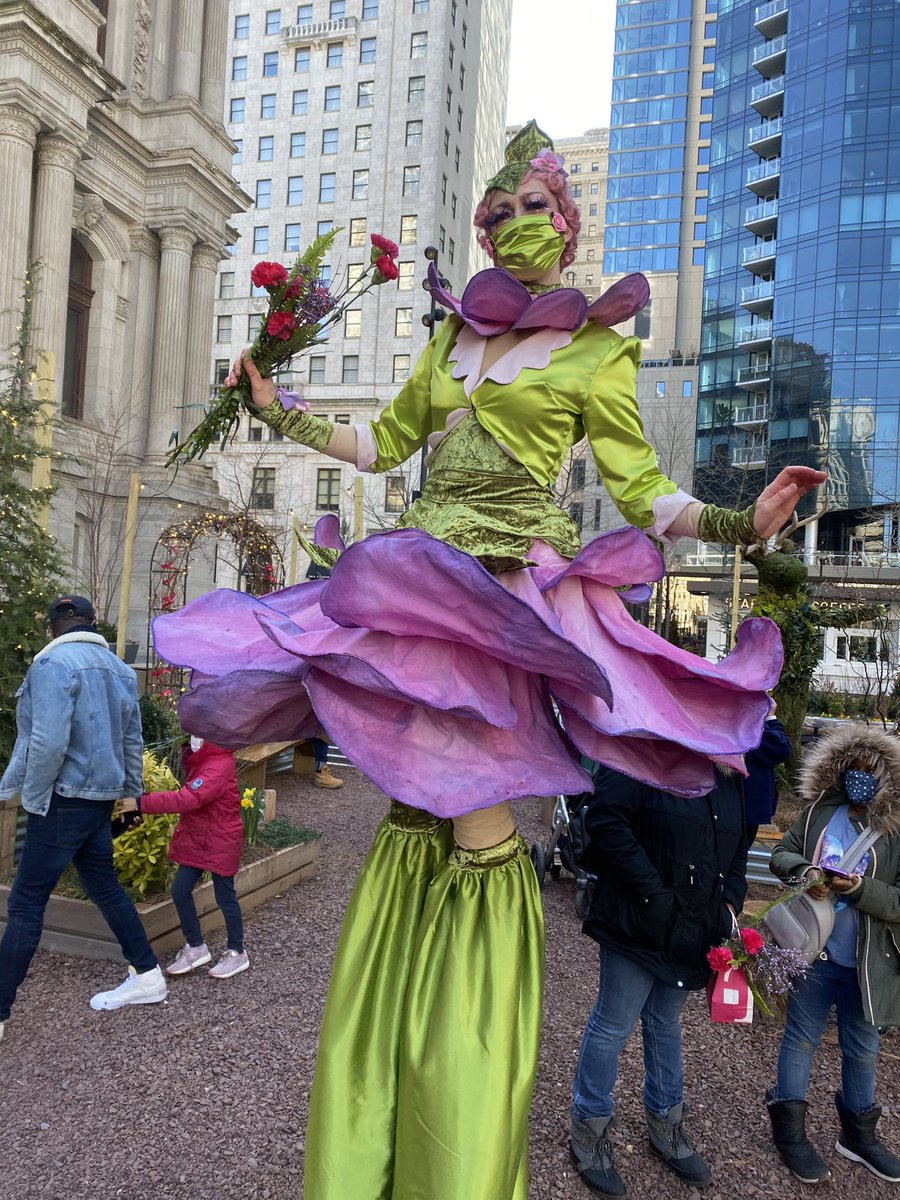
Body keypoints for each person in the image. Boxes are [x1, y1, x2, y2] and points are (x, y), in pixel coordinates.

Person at [153, 122, 825, 1199]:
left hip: (504, 593)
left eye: (538, 213)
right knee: (402, 781)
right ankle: (401, 1029)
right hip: (420, 578)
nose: (519, 229)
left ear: (569, 226)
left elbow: (646, 493)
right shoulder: (450, 339)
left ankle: (459, 1071)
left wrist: (746, 524)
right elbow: (382, 448)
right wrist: (279, 413)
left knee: (477, 808)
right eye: (500, 215)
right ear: (487, 229)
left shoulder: (600, 350)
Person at [569, 762, 747, 1196]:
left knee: (665, 1022)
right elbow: (606, 818)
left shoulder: (727, 769)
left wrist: (729, 904)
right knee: (614, 1023)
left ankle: (666, 1123)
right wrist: (653, 895)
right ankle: (588, 1129)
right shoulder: (641, 749)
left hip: (691, 928)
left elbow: (740, 841)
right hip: (637, 919)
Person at [0, 595, 166, 1041]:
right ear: (92, 624)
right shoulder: (120, 670)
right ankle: (148, 974)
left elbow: (45, 743)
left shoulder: (52, 666)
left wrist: (32, 799)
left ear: (54, 627)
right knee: (103, 887)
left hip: (62, 799)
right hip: (101, 799)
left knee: (24, 905)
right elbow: (133, 740)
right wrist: (130, 796)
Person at [766, 724, 900, 1184]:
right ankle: (790, 1134)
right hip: (815, 953)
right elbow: (781, 854)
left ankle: (859, 1137)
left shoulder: (894, 830)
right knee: (800, 1040)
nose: (859, 779)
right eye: (852, 770)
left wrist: (861, 889)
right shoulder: (820, 811)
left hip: (867, 964)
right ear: (839, 772)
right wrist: (806, 871)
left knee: (863, 1050)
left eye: (870, 772)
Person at [117, 736, 249, 979]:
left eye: (199, 733)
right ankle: (196, 947)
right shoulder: (204, 760)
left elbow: (187, 799)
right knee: (180, 890)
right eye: (192, 733)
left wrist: (139, 802)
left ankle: (237, 952)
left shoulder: (218, 764)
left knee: (225, 897)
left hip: (220, 840)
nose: (193, 739)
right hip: (199, 838)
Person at [744, 697, 791, 846]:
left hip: (741, 807)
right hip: (746, 807)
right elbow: (779, 748)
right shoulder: (745, 725)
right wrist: (770, 717)